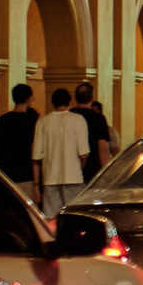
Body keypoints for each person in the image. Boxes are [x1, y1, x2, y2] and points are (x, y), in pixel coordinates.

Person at [33, 87, 92, 217]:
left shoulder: (42, 122)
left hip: (50, 178)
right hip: (74, 177)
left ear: (52, 103)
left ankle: (54, 237)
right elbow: (83, 154)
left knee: (52, 218)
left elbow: (36, 157)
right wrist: (80, 165)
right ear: (70, 102)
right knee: (74, 216)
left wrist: (36, 185)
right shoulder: (78, 120)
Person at [0, 84, 39, 184]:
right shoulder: (31, 121)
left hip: (4, 175)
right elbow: (34, 148)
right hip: (25, 174)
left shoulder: (2, 120)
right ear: (28, 98)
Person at [73, 80, 115, 169]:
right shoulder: (98, 119)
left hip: (71, 169)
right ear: (92, 97)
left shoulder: (69, 116)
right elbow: (103, 149)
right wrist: (105, 173)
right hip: (92, 170)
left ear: (75, 97)